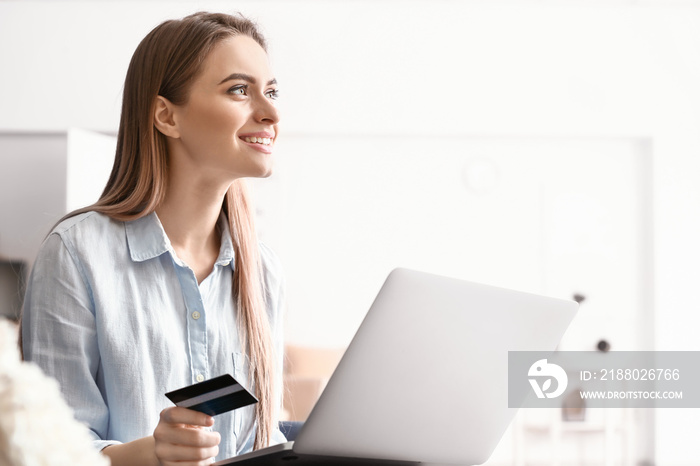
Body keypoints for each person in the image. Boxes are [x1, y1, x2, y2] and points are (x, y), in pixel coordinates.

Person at [21, 11, 285, 466]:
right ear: (166, 115)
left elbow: (260, 443)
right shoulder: (76, 254)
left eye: (273, 91)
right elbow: (50, 452)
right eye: (239, 90)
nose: (271, 112)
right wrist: (147, 455)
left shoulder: (260, 270)